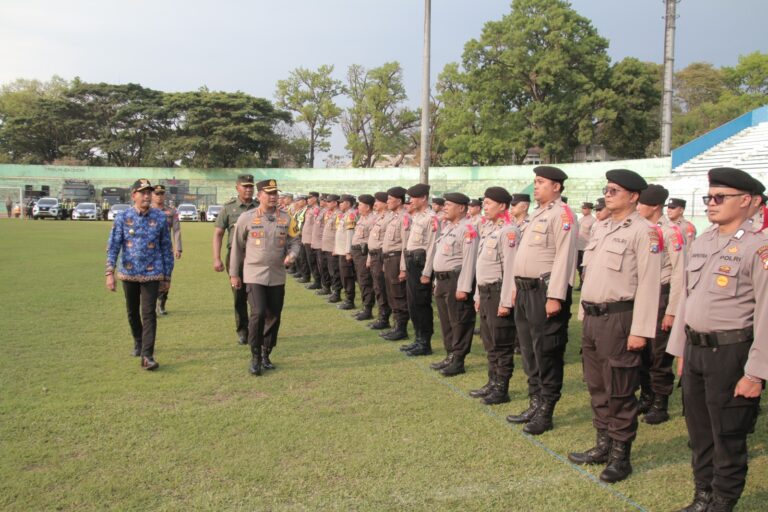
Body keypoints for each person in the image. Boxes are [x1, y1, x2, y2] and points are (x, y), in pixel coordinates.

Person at [667, 168, 767, 512]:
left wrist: (756, 373)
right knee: (699, 431)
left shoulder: (760, 245)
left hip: (731, 351)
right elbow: (687, 297)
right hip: (696, 350)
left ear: (747, 201)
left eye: (719, 197)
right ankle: (703, 496)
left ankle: (722, 502)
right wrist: (681, 349)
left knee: (727, 433)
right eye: (709, 197)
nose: (711, 203)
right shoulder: (705, 240)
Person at [568, 169, 661, 484]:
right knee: (597, 385)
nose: (607, 194)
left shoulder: (643, 231)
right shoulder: (601, 227)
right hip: (594, 317)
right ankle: (603, 445)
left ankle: (621, 457)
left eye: (614, 190)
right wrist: (584, 313)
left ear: (633, 196)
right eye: (606, 189)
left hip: (621, 318)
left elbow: (649, 284)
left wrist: (641, 330)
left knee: (620, 388)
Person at [506, 167, 577, 434]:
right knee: (528, 349)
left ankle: (546, 410)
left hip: (544, 291)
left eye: (541, 182)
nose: (536, 186)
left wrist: (556, 295)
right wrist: (515, 285)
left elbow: (565, 257)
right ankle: (534, 401)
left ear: (556, 187)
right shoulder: (537, 214)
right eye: (535, 182)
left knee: (546, 351)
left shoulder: (563, 215)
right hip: (525, 291)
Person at [229, 179, 301, 375]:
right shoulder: (247, 218)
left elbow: (295, 242)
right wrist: (234, 274)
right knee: (258, 312)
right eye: (268, 193)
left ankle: (266, 352)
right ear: (259, 195)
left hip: (277, 274)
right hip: (253, 274)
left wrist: (292, 255)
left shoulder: (286, 218)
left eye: (275, 193)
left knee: (274, 316)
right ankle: (254, 356)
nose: (272, 197)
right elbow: (237, 247)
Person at [105, 179, 174, 371]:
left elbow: (166, 249)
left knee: (149, 313)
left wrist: (167, 276)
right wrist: (109, 272)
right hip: (129, 273)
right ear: (133, 195)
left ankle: (147, 355)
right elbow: (113, 246)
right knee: (132, 312)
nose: (146, 196)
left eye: (149, 192)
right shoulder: (122, 217)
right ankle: (138, 341)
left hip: (153, 273)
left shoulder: (160, 217)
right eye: (142, 192)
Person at [635, 184, 686, 426]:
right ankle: (646, 395)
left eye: (641, 203)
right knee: (641, 351)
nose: (637, 207)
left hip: (661, 296)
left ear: (654, 205)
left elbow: (679, 273)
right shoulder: (641, 229)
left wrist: (672, 311)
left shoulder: (671, 232)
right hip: (642, 295)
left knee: (658, 353)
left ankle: (660, 402)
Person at [469, 187, 520, 405]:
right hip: (487, 292)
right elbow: (483, 268)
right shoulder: (491, 230)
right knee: (490, 342)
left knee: (502, 343)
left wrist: (506, 302)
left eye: (489, 203)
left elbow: (510, 269)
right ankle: (492, 382)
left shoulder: (509, 231)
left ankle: (502, 388)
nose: (484, 207)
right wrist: (478, 295)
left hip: (499, 292)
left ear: (502, 206)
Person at [427, 192, 479, 376]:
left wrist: (464, 287)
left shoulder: (468, 229)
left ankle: (458, 359)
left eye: (449, 204)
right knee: (446, 320)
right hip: (442, 280)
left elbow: (469, 261)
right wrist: (435, 280)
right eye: (445, 204)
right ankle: (450, 354)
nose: (445, 207)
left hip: (456, 280)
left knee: (459, 320)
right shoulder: (449, 227)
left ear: (462, 208)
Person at [395, 184, 440, 356]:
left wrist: (427, 273)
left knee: (421, 304)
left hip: (421, 265)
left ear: (423, 198)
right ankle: (418, 338)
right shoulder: (417, 217)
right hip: (412, 263)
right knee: (413, 304)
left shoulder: (431, 218)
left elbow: (432, 247)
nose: (410, 201)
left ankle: (425, 343)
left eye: (413, 197)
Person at [213, 174, 257, 345]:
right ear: (237, 187)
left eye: (250, 186)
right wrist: (216, 258)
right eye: (245, 186)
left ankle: (255, 328)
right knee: (239, 296)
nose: (248, 189)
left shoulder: (260, 207)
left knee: (257, 295)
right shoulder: (228, 208)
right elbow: (218, 234)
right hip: (235, 257)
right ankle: (242, 330)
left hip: (256, 256)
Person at [380, 186, 410, 341]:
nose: (387, 202)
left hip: (397, 259)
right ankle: (395, 325)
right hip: (389, 258)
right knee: (391, 294)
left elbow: (405, 245)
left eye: (390, 199)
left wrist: (403, 268)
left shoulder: (404, 217)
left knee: (398, 294)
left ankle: (401, 328)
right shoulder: (392, 217)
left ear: (399, 201)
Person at [152, 184, 182, 316]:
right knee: (151, 279)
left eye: (161, 194)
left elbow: (176, 230)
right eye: (156, 194)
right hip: (150, 251)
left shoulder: (171, 212)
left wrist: (178, 248)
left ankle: (162, 303)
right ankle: (151, 307)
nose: (159, 196)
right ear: (152, 195)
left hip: (166, 251)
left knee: (166, 279)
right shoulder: (147, 210)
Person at [366, 192, 393, 330]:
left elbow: (385, 242)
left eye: (378, 201)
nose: (375, 204)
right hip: (374, 255)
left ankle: (384, 318)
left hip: (381, 257)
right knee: (377, 287)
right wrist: (370, 258)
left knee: (381, 288)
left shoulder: (389, 218)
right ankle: (381, 316)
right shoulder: (378, 218)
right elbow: (373, 239)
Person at [350, 194, 376, 321]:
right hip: (357, 252)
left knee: (365, 281)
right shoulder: (362, 218)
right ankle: (364, 307)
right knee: (361, 280)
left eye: (360, 204)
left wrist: (369, 258)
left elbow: (372, 240)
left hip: (363, 253)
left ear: (367, 207)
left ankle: (368, 309)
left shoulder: (372, 219)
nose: (358, 207)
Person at [335, 194, 358, 310]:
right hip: (342, 251)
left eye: (342, 202)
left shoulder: (351, 215)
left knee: (347, 277)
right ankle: (348, 299)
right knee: (344, 276)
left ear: (348, 203)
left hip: (346, 252)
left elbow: (350, 234)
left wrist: (348, 251)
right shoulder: (345, 215)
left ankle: (349, 301)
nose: (340, 204)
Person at [322, 194, 342, 303]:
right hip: (327, 246)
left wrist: (336, 247)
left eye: (329, 202)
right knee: (330, 270)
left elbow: (338, 233)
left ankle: (337, 293)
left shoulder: (338, 215)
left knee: (335, 271)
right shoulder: (331, 214)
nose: (327, 204)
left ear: (335, 203)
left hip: (333, 248)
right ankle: (333, 291)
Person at [311, 194, 332, 296]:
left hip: (322, 243)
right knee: (320, 266)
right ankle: (324, 286)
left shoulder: (327, 212)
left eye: (325, 200)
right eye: (322, 200)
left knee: (324, 267)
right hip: (318, 242)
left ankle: (327, 287)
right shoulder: (322, 211)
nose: (322, 202)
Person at [301, 192, 322, 289]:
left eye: (309, 198)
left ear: (315, 198)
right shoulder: (310, 209)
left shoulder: (317, 210)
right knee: (309, 260)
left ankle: (317, 281)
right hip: (306, 238)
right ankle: (314, 279)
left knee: (313, 261)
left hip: (311, 239)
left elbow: (316, 226)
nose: (308, 200)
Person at [576, 202, 596, 290]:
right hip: (578, 246)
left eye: (585, 208)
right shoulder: (580, 220)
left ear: (590, 209)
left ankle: (586, 284)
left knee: (586, 268)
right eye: (583, 208)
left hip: (586, 247)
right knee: (578, 267)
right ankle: (581, 283)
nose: (583, 210)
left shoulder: (593, 220)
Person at [292, 194, 310, 282]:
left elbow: (305, 224)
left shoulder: (306, 210)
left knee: (303, 257)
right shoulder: (300, 210)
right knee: (299, 256)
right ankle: (301, 272)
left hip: (302, 236)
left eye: (299, 200)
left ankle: (305, 276)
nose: (297, 202)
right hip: (297, 235)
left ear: (303, 201)